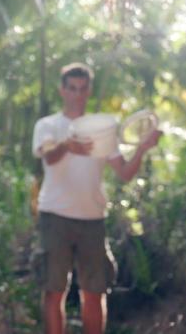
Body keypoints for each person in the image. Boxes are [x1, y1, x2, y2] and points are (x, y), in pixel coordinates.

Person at [31, 63, 161, 334]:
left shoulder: (103, 130)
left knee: (94, 292)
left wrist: (142, 149)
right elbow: (49, 157)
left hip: (93, 220)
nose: (77, 94)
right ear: (62, 91)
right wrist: (68, 145)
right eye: (72, 88)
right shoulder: (48, 126)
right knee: (54, 290)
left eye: (82, 89)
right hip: (55, 216)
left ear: (88, 91)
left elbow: (124, 173)